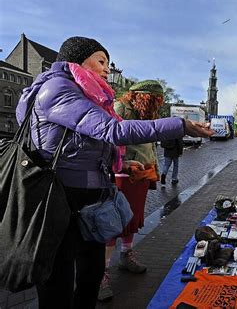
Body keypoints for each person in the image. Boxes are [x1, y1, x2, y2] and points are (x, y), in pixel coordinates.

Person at [15, 36, 213, 309]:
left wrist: (119, 164)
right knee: (58, 281)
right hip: (59, 197)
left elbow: (89, 143)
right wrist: (181, 125)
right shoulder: (57, 89)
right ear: (77, 61)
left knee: (92, 274)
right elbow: (113, 131)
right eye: (101, 61)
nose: (107, 68)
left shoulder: (87, 94)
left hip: (88, 196)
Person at [97, 80, 164, 301]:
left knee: (133, 220)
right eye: (154, 100)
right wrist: (122, 164)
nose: (157, 105)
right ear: (142, 97)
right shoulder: (119, 109)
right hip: (123, 174)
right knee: (113, 222)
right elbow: (106, 140)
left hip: (143, 173)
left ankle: (126, 256)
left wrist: (154, 165)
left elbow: (150, 144)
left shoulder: (146, 114)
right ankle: (101, 274)